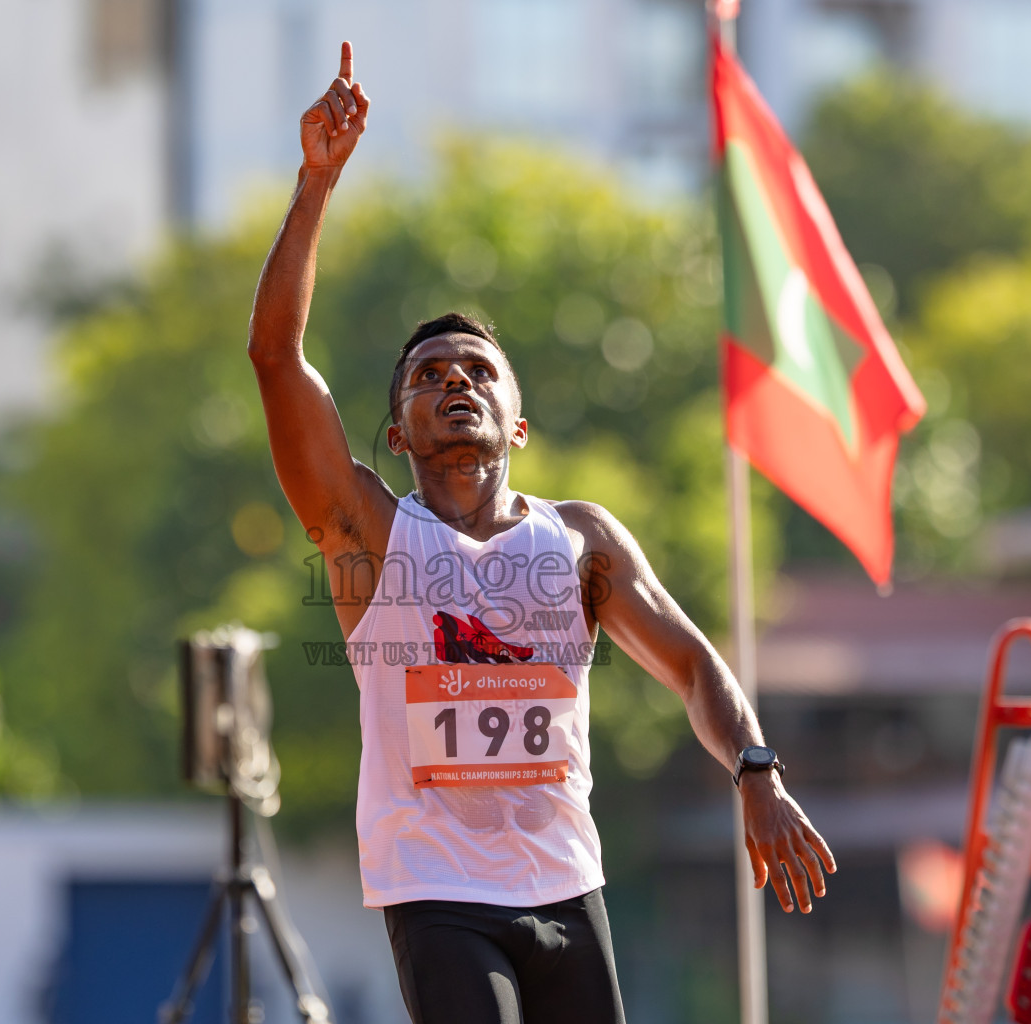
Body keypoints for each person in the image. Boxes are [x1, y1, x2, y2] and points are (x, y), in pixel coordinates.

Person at [247, 40, 836, 1024]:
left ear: (518, 422)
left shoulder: (581, 543)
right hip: (436, 892)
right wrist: (315, 185)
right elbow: (274, 355)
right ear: (396, 431)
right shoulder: (371, 534)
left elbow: (693, 667)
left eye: (477, 369)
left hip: (566, 884)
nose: (454, 382)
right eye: (428, 375)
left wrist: (758, 769)